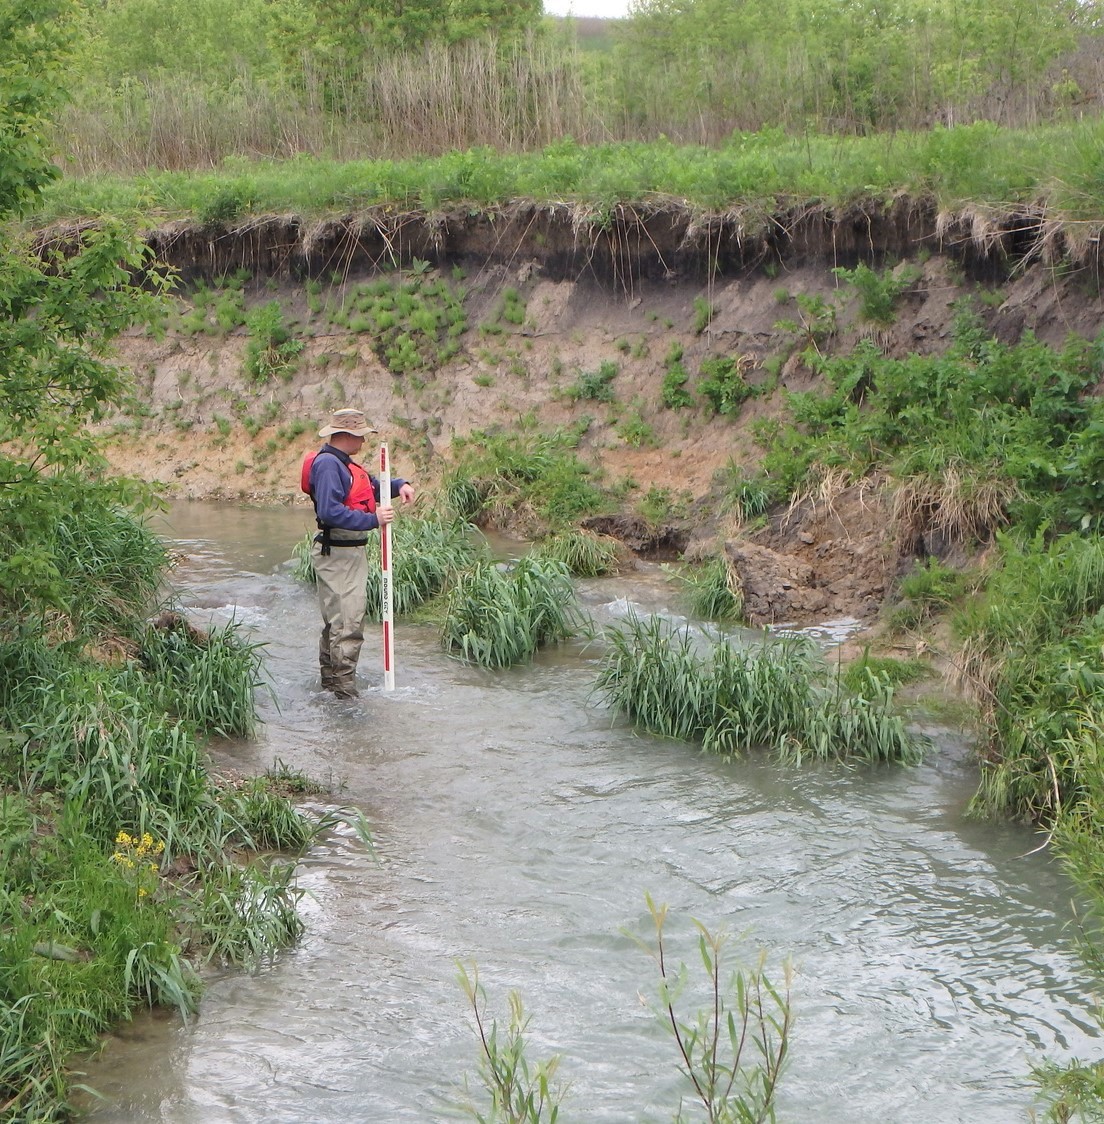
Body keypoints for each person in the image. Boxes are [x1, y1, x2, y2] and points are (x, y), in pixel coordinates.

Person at [304, 408, 415, 698]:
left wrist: (398, 484)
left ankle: (332, 688)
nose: (364, 442)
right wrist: (373, 520)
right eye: (360, 436)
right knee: (347, 623)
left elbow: (370, 488)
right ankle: (344, 695)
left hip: (344, 553)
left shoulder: (343, 463)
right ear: (346, 436)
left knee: (339, 622)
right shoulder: (330, 466)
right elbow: (330, 511)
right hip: (338, 554)